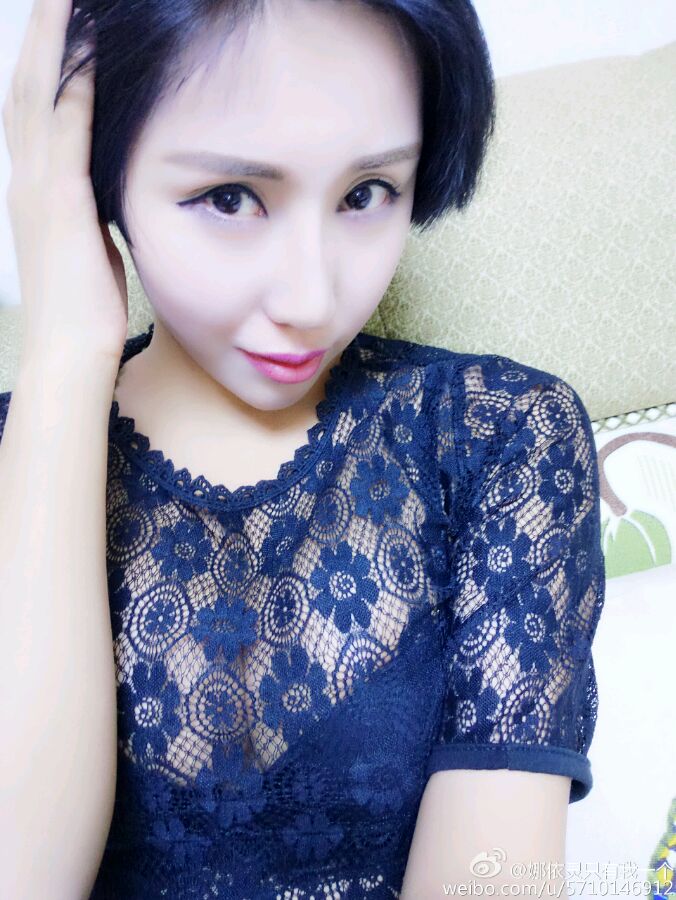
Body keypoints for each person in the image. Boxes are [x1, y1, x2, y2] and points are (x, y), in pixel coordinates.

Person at [0, 0, 606, 897]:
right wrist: (62, 352)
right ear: (96, 176)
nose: (312, 299)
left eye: (367, 194)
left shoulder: (500, 437)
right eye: (230, 198)